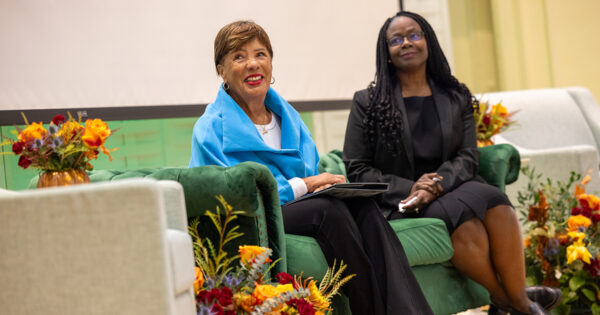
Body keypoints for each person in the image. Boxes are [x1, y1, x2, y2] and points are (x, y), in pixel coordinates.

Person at [189, 20, 433, 315]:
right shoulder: (210, 128)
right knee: (326, 210)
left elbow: (310, 169)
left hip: (297, 205)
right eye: (239, 57)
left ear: (271, 62)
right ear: (221, 70)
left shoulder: (288, 116)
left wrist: (326, 185)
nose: (252, 64)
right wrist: (306, 185)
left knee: (364, 207)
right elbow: (234, 195)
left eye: (260, 54)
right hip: (252, 217)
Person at [342, 11, 562, 315]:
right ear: (387, 53)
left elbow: (467, 157)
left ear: (428, 42)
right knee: (466, 223)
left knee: (497, 202)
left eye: (414, 35)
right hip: (401, 199)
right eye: (396, 39)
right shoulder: (367, 102)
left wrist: (436, 184)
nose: (406, 42)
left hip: (453, 185)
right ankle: (516, 302)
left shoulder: (455, 96)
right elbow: (357, 167)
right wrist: (412, 188)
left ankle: (512, 300)